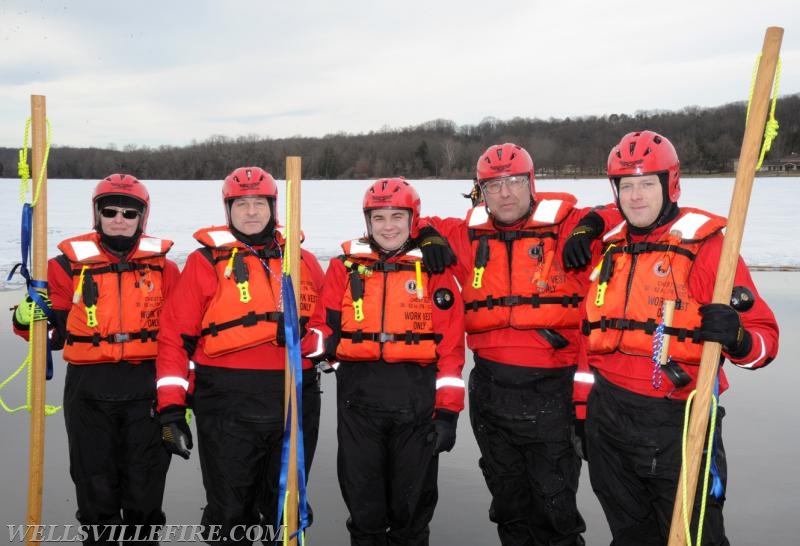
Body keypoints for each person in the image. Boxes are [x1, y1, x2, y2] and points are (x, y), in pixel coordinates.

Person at [578, 130, 779, 545]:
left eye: (646, 184)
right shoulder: (610, 248)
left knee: (694, 536)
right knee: (630, 536)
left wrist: (737, 339)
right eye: (626, 186)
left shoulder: (709, 250)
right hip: (610, 418)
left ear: (670, 184)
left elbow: (765, 342)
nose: (635, 197)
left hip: (679, 420)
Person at [421, 143, 615, 546]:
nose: (505, 193)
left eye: (513, 182)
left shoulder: (567, 227)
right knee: (508, 505)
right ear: (480, 191)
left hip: (553, 388)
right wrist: (427, 235)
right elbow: (404, 219)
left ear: (531, 184)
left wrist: (593, 224)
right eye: (493, 185)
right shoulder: (465, 235)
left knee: (554, 506)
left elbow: (635, 212)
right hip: (490, 391)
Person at [154, 166, 325, 545]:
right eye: (241, 204)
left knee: (284, 506)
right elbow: (173, 339)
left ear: (274, 208)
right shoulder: (204, 263)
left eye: (259, 203)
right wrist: (170, 409)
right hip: (226, 403)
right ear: (227, 210)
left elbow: (331, 327)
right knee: (231, 513)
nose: (251, 212)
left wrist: (308, 340)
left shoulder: (304, 260)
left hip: (293, 398)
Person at [12, 174, 179, 545]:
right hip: (88, 391)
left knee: (144, 485)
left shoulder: (166, 269)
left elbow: (180, 338)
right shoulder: (64, 266)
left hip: (145, 389)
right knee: (94, 484)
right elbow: (52, 335)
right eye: (110, 211)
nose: (119, 219)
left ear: (142, 218)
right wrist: (26, 320)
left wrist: (179, 404)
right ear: (96, 214)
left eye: (129, 213)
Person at [307, 177, 466, 546]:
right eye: (379, 218)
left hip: (416, 402)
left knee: (410, 513)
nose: (389, 226)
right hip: (358, 401)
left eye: (397, 216)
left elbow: (452, 351)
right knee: (364, 510)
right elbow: (323, 326)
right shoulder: (344, 267)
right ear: (367, 222)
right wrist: (309, 345)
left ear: (414, 219)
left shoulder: (434, 269)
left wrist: (447, 414)